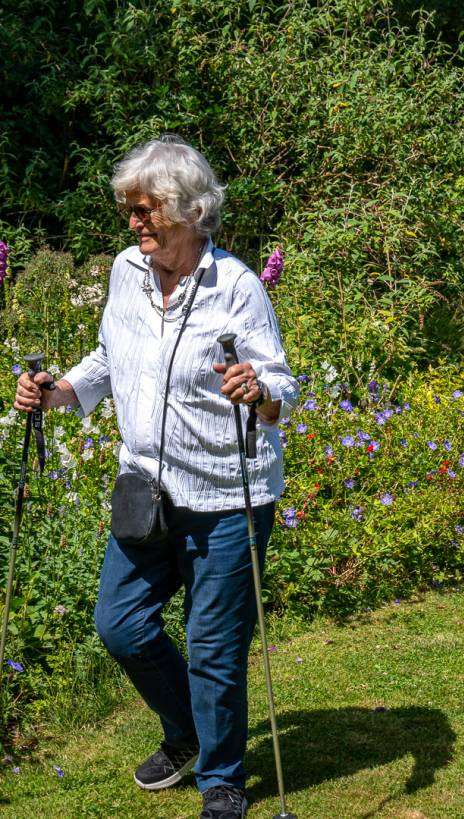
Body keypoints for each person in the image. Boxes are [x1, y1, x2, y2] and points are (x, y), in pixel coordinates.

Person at [14, 136, 298, 819]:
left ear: (188, 209)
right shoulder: (126, 272)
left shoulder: (236, 285)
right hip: (146, 490)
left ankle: (222, 777)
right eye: (129, 209)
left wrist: (256, 387)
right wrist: (57, 392)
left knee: (214, 645)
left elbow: (284, 390)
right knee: (120, 625)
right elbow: (111, 356)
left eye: (145, 209)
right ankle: (190, 730)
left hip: (228, 494)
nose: (133, 221)